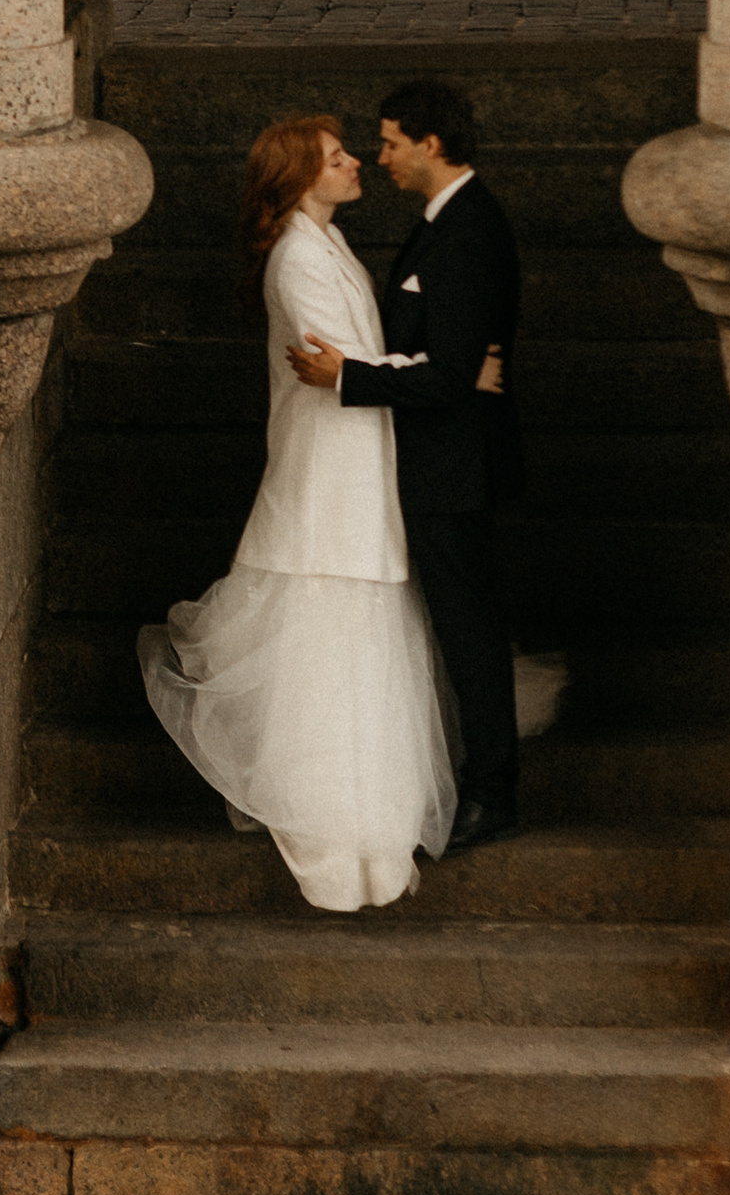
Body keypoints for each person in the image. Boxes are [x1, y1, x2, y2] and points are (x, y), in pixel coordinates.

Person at [137, 109, 457, 910]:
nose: (354, 163)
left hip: (353, 458)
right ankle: (332, 826)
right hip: (328, 468)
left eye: (349, 152)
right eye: (335, 156)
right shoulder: (297, 259)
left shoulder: (326, 243)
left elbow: (356, 366)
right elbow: (342, 366)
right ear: (298, 177)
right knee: (328, 619)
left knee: (357, 624)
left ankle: (362, 821)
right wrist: (445, 368)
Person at [285, 76, 525, 854]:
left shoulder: (469, 231)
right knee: (458, 626)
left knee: (469, 631)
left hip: (453, 469)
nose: (379, 155)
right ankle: (480, 777)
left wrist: (349, 378)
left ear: (431, 144)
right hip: (435, 459)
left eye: (390, 142)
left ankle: (493, 794)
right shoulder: (438, 225)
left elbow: (453, 373)